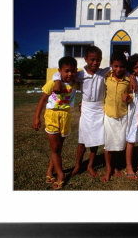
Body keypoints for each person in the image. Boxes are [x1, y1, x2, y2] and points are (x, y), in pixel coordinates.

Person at [52, 46, 109, 178]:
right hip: (87, 110)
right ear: (85, 59)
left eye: (98, 60)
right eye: (92, 59)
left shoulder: (103, 73)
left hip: (100, 109)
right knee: (82, 140)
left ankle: (90, 165)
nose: (95, 62)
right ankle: (78, 165)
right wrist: (56, 81)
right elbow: (60, 74)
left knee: (96, 140)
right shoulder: (80, 74)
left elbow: (120, 68)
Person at [33, 56, 78, 190]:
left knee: (58, 148)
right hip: (52, 115)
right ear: (60, 71)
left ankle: (49, 170)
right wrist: (37, 117)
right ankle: (60, 175)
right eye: (66, 71)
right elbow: (42, 100)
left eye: (73, 71)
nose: (70, 74)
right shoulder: (53, 82)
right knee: (55, 148)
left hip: (66, 117)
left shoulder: (75, 82)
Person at [101, 51, 133, 182]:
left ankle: (116, 167)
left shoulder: (128, 80)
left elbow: (132, 95)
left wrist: (129, 97)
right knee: (108, 145)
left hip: (122, 115)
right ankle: (109, 169)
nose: (118, 69)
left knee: (119, 144)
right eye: (115, 66)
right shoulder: (107, 76)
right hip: (109, 115)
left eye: (121, 66)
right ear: (111, 66)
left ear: (125, 67)